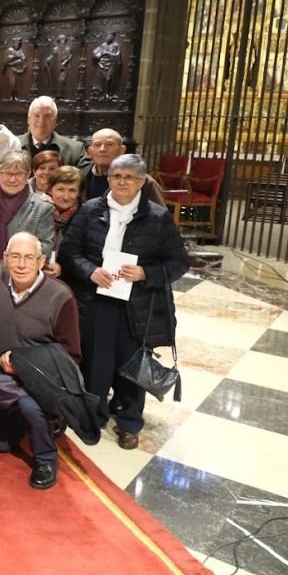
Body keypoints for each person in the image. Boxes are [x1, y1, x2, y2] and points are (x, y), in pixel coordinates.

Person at [58, 154, 189, 450]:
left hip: (137, 304)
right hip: (97, 299)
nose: (122, 182)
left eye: (129, 177)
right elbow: (69, 250)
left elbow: (179, 262)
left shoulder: (157, 217)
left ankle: (130, 422)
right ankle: (96, 415)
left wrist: (146, 272)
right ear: (108, 179)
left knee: (132, 364)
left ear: (142, 182)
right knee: (96, 362)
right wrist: (90, 271)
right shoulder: (90, 210)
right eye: (117, 176)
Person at [0, 232, 81, 490]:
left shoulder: (60, 295)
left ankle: (46, 458)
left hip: (44, 375)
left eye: (29, 258)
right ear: (5, 258)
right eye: (15, 257)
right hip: (1, 372)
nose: (21, 265)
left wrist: (27, 366)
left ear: (41, 261)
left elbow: (71, 353)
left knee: (31, 407)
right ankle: (27, 421)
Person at [0, 151, 55, 270]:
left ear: (28, 175)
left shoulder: (42, 208)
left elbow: (45, 248)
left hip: (21, 274)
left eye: (19, 174)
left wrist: (4, 264)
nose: (12, 180)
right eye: (7, 173)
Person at [16, 96, 89, 169]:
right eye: (36, 115)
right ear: (28, 119)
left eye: (47, 116)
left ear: (55, 119)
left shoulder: (75, 150)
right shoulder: (12, 145)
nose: (41, 121)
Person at [47, 165, 84, 255]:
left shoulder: (85, 216)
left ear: (79, 193)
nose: (66, 196)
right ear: (50, 190)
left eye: (72, 190)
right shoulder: (37, 209)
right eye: (60, 189)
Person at [83, 128, 126, 200]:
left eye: (109, 144)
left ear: (122, 150)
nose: (102, 149)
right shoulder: (81, 176)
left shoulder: (137, 179)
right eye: (97, 145)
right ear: (90, 152)